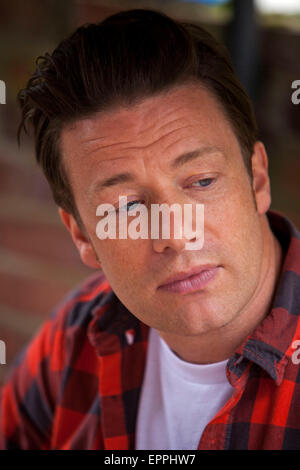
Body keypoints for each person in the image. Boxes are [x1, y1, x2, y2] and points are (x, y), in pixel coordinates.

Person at [1, 8, 300, 451]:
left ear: (257, 180)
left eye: (201, 181)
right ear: (83, 236)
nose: (177, 236)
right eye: (126, 208)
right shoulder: (75, 336)